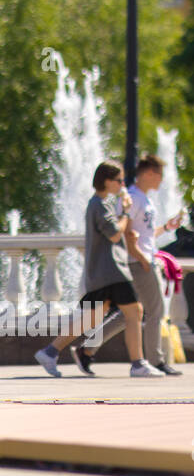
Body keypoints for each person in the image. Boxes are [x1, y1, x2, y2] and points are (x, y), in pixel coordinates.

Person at [33, 161, 164, 378]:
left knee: (92, 318)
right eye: (119, 180)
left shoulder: (100, 204)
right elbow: (114, 234)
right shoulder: (100, 205)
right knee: (135, 312)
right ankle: (138, 364)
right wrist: (127, 214)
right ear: (107, 181)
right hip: (112, 271)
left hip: (103, 272)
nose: (122, 184)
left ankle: (50, 351)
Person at [72, 154, 184, 376]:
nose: (161, 181)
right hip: (138, 262)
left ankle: (87, 349)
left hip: (143, 259)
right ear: (149, 173)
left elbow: (145, 234)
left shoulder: (144, 199)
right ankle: (155, 360)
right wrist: (141, 258)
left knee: (130, 314)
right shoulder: (134, 197)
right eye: (160, 175)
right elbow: (125, 232)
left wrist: (167, 227)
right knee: (155, 310)